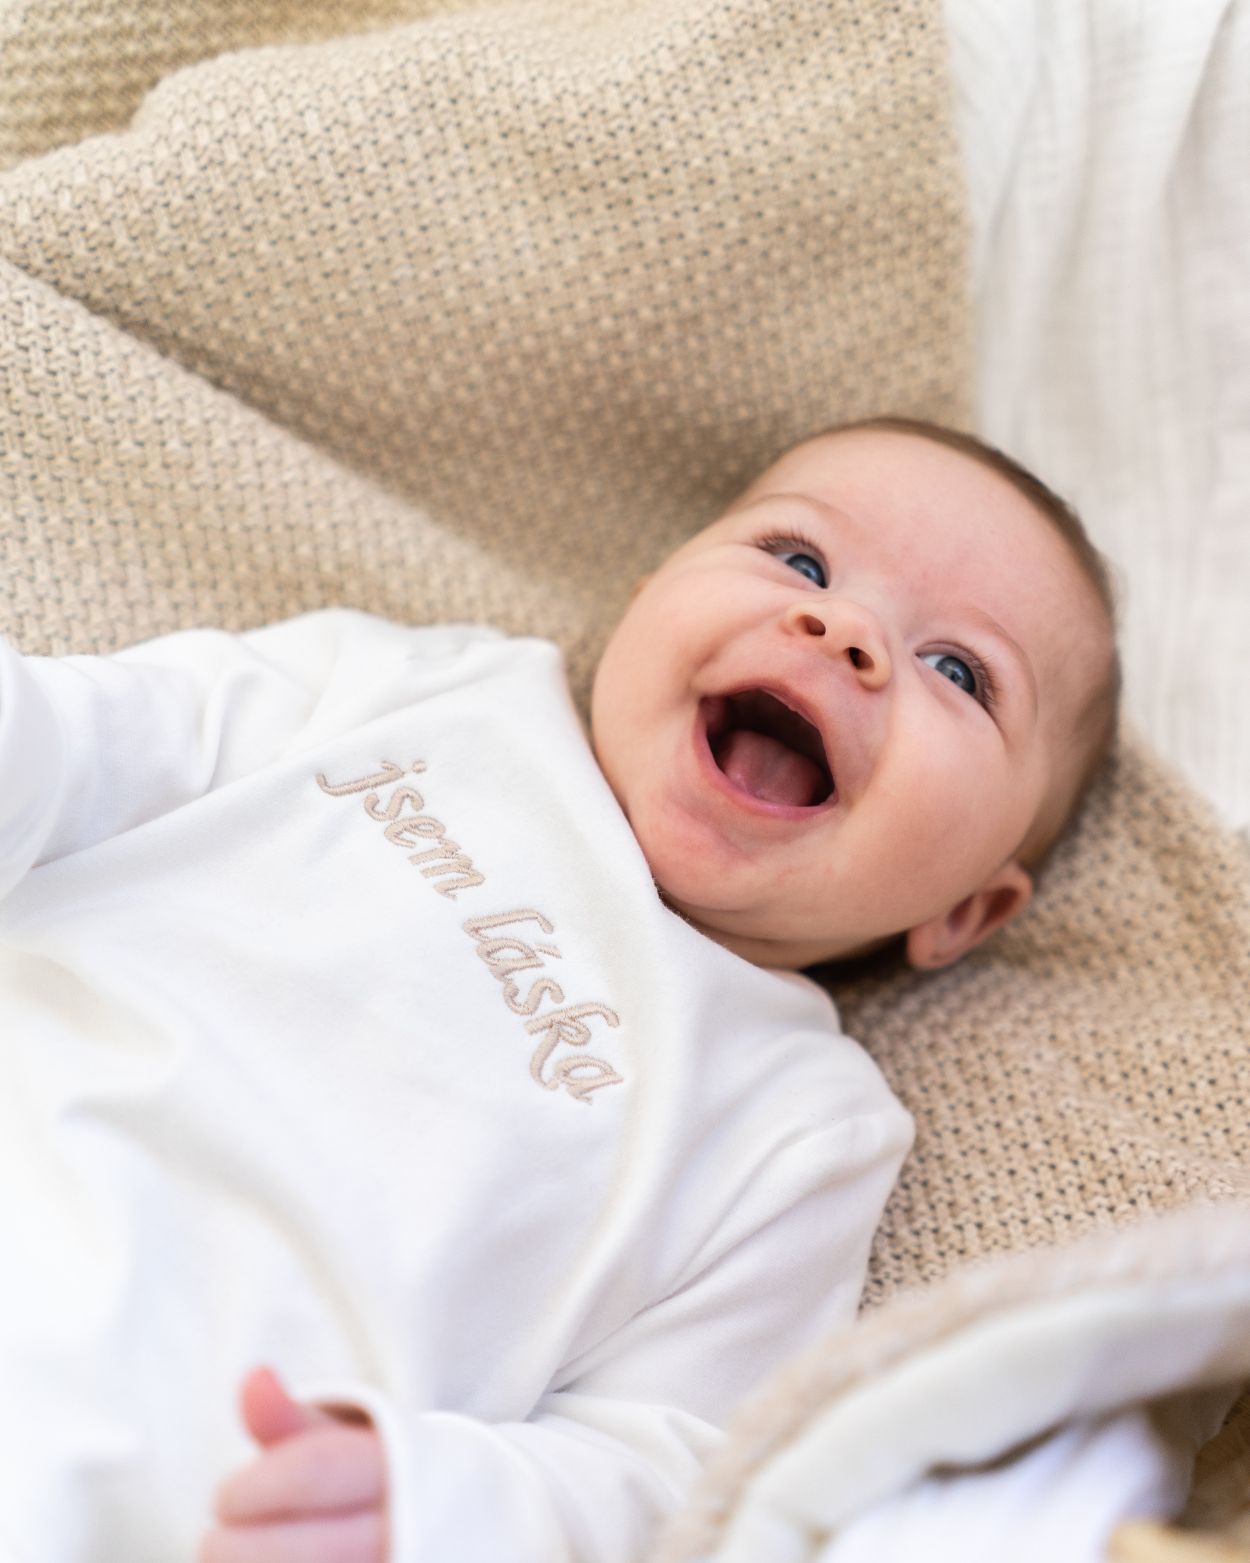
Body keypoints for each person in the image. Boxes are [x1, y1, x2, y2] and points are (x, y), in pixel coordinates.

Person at [0, 419, 1119, 1563]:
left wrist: (433, 1507)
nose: (842, 630)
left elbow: (662, 1466)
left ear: (968, 910)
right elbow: (87, 743)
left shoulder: (800, 1128)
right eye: (797, 561)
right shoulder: (413, 685)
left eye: (957, 671)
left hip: (167, 1468)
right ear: (648, 598)